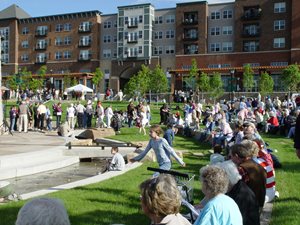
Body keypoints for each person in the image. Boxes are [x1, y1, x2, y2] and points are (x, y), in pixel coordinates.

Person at [218, 160, 260, 225]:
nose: (218, 182)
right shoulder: (236, 187)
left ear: (227, 178)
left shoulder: (242, 195)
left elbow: (237, 220)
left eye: (219, 178)